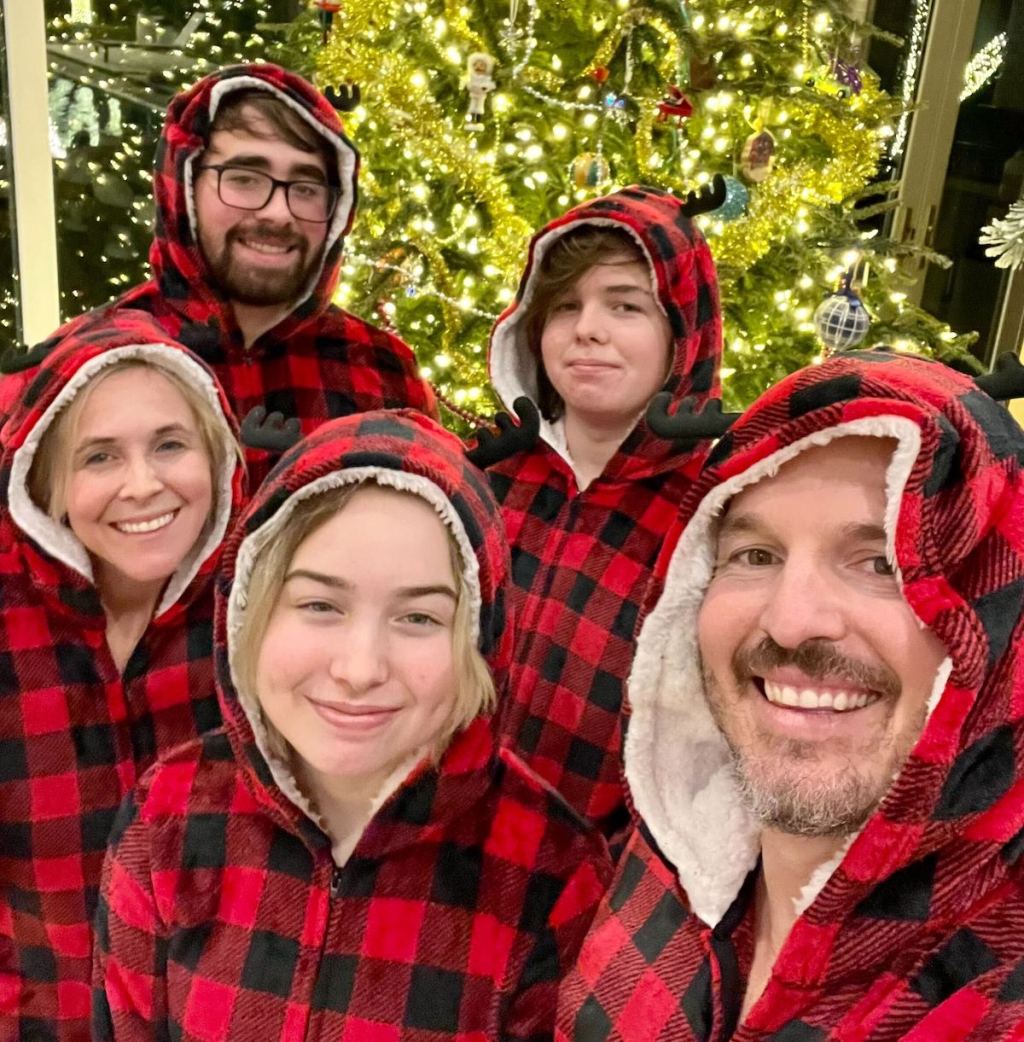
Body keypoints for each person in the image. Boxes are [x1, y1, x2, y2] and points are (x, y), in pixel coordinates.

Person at [92, 409, 612, 1041]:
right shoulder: (168, 813)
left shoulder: (552, 868)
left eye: (418, 618)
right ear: (249, 612)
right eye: (319, 605)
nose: (360, 669)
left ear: (478, 639)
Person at [557, 348, 1024, 1040]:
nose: (790, 620)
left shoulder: (994, 993)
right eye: (755, 556)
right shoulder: (663, 869)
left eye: (882, 563)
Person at [0, 64, 437, 486]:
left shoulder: (382, 370)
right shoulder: (85, 365)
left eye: (306, 188)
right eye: (245, 178)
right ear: (185, 187)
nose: (278, 213)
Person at [0, 310, 244, 1042]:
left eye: (170, 445)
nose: (143, 485)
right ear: (49, 479)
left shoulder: (259, 614)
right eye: (99, 458)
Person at [485, 185, 722, 836]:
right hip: (434, 865)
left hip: (600, 877)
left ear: (681, 335)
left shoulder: (716, 514)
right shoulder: (485, 480)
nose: (588, 328)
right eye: (565, 306)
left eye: (625, 306)